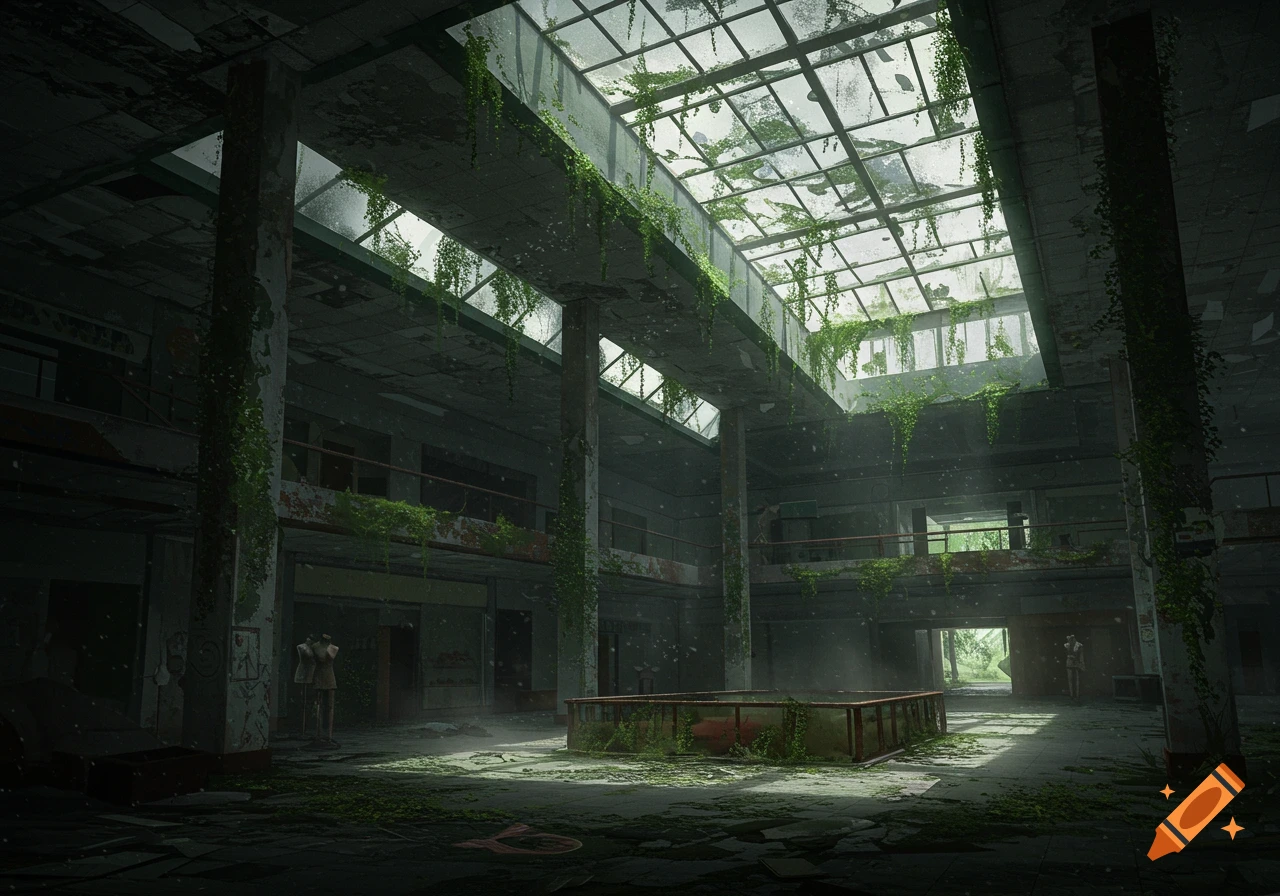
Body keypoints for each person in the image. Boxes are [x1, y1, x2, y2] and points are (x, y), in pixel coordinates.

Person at [1064, 634, 1085, 700]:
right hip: (1069, 663)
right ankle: (1071, 695)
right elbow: (1065, 654)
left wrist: (1081, 663)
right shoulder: (1067, 645)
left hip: (1076, 663)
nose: (1070, 641)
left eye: (1071, 639)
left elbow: (1081, 656)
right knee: (1070, 679)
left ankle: (1077, 695)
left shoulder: (1079, 645)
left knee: (1076, 679)